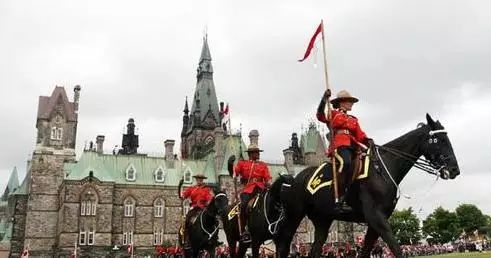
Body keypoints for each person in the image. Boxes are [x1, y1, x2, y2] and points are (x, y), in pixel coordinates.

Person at [316, 89, 369, 211]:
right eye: (349, 101)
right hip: (339, 145)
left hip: (353, 146)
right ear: (341, 103)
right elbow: (320, 116)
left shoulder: (353, 119)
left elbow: (360, 135)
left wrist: (368, 140)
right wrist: (324, 99)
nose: (351, 104)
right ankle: (338, 194)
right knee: (346, 163)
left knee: (364, 165)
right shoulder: (333, 113)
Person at [233, 143, 272, 243]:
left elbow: (267, 178)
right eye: (256, 152)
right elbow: (235, 173)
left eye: (258, 152)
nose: (258, 154)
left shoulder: (263, 165)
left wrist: (269, 183)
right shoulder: (243, 163)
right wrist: (231, 166)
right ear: (251, 154)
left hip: (261, 189)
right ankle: (244, 230)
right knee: (244, 205)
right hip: (248, 190)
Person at [180, 174, 213, 248]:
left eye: (201, 179)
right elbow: (183, 195)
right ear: (196, 180)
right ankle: (187, 239)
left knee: (212, 219)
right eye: (198, 179)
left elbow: (209, 198)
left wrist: (208, 202)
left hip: (203, 208)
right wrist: (180, 190)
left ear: (202, 180)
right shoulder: (192, 188)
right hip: (194, 207)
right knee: (187, 219)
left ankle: (213, 238)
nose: (199, 181)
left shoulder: (206, 189)